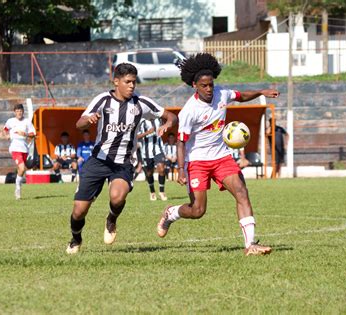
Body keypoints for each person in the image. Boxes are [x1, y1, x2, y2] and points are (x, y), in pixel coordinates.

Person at [156, 53, 280, 256]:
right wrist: (181, 170)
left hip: (222, 157)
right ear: (194, 85)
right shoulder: (190, 110)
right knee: (198, 211)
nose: (208, 89)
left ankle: (250, 245)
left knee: (241, 192)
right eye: (204, 85)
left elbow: (241, 97)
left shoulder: (222, 94)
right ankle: (171, 213)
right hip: (196, 162)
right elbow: (180, 141)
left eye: (211, 84)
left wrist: (260, 92)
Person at [66, 63, 177, 254]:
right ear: (116, 82)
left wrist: (166, 125)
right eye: (127, 82)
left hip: (123, 163)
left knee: (117, 198)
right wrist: (90, 119)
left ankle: (111, 220)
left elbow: (171, 117)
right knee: (79, 211)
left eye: (134, 82)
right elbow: (79, 123)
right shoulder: (102, 100)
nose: (132, 86)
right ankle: (76, 239)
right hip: (98, 160)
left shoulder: (141, 102)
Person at [3, 104, 36, 200]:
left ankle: (18, 185)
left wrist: (25, 134)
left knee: (21, 170)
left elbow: (33, 134)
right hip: (14, 147)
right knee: (22, 168)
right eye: (17, 111)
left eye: (20, 111)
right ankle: (18, 189)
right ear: (15, 112)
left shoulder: (27, 122)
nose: (19, 113)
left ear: (23, 112)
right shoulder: (11, 121)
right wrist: (6, 136)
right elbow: (5, 129)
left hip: (24, 148)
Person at [138, 118, 168, 201]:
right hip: (146, 151)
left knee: (162, 169)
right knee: (149, 173)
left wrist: (164, 126)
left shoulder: (159, 119)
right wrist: (148, 132)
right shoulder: (141, 121)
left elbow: (166, 123)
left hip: (158, 149)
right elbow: (136, 136)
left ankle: (162, 192)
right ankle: (152, 192)